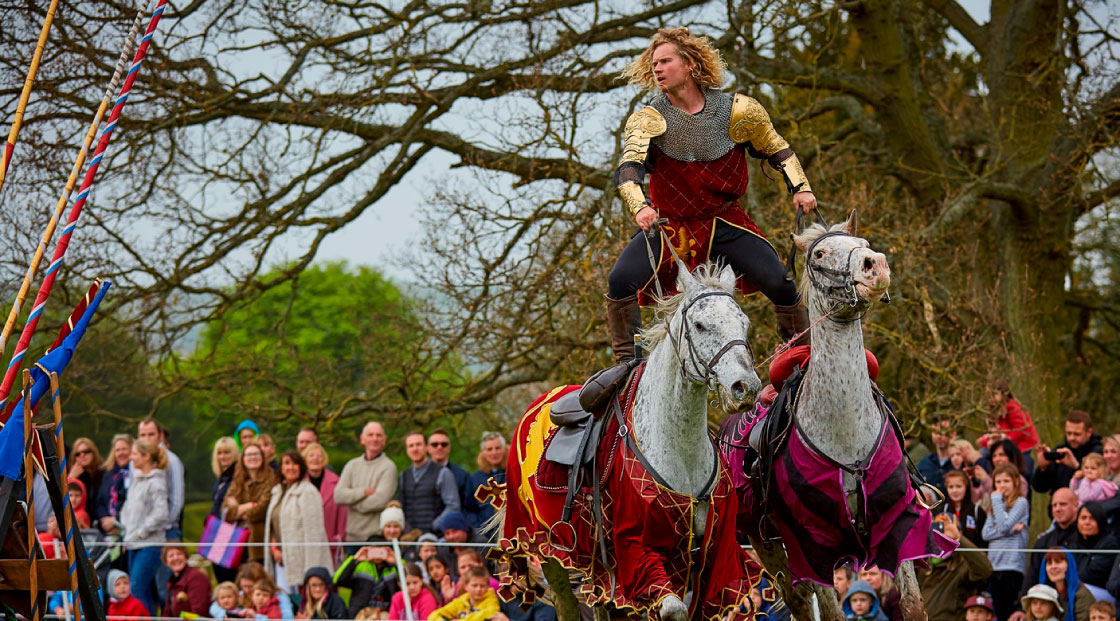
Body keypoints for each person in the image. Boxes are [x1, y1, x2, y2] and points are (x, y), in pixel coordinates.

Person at [599, 26, 815, 375]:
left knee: (779, 282)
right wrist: (640, 206)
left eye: (666, 61)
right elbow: (628, 169)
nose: (657, 68)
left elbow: (777, 148)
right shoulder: (647, 119)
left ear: (689, 64)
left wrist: (801, 187)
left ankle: (801, 358)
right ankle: (629, 366)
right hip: (671, 227)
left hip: (725, 222)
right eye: (654, 63)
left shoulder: (738, 111)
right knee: (620, 280)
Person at [264, 450, 334, 592]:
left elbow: (314, 534)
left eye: (295, 464)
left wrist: (312, 571)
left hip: (301, 561)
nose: (291, 467)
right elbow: (273, 526)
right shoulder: (277, 491)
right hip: (280, 560)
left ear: (301, 467)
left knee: (300, 604)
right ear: (281, 468)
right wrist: (274, 549)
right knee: (284, 602)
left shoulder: (308, 492)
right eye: (287, 463)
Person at [1012, 488, 1081, 621]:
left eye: (1063, 504)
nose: (1057, 509)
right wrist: (1022, 609)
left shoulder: (1084, 537)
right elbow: (1032, 575)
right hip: (1046, 605)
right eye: (1054, 505)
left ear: (1075, 505)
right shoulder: (1043, 541)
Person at [120, 438, 169, 616]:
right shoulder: (137, 481)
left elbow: (161, 514)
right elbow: (127, 508)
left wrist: (141, 532)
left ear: (146, 456)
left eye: (134, 454)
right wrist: (126, 527)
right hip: (133, 543)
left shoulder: (156, 481)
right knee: (143, 592)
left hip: (149, 545)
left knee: (137, 589)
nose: (131, 457)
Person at [917, 514, 993, 621]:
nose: (943, 533)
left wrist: (958, 539)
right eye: (938, 528)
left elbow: (985, 570)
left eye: (950, 528)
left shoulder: (962, 564)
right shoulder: (923, 562)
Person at [335, 422, 398, 547]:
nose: (374, 439)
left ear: (384, 440)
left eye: (378, 435)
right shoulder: (351, 465)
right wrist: (363, 492)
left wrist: (353, 502)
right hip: (352, 538)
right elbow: (338, 496)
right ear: (362, 439)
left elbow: (380, 500)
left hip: (376, 537)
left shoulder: (389, 467)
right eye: (370, 435)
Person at [983, 464, 1030, 621]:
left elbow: (1002, 526)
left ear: (1015, 482)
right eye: (998, 481)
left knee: (1009, 611)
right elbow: (986, 533)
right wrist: (1011, 530)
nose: (1002, 485)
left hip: (1012, 566)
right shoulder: (994, 506)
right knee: (998, 612)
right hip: (994, 565)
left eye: (1006, 481)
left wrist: (996, 499)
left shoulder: (1021, 503)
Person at [224, 441, 278, 563]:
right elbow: (226, 512)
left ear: (262, 458)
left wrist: (238, 509)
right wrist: (249, 505)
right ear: (243, 459)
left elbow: (262, 510)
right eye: (249, 455)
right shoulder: (237, 482)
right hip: (236, 541)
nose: (252, 457)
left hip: (259, 542)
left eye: (256, 454)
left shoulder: (271, 480)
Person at [399, 430, 461, 534]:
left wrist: (434, 525)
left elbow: (453, 506)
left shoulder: (443, 473)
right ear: (407, 450)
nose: (415, 449)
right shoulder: (404, 475)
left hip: (435, 537)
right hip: (409, 537)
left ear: (426, 447)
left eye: (418, 444)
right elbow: (402, 507)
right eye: (411, 446)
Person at [136, 418, 185, 538]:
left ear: (160, 435)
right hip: (139, 533)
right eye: (143, 435)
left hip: (165, 531)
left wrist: (164, 526)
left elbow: (177, 500)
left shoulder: (172, 460)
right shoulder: (135, 461)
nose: (147, 438)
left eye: (151, 434)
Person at [1034, 411, 1104, 495]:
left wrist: (1076, 466)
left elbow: (1099, 484)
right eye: (1069, 433)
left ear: (1088, 432)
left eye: (1077, 434)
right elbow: (1040, 488)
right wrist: (1043, 468)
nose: (1072, 438)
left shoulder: (1099, 452)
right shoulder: (1060, 451)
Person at [302, 442, 347, 565]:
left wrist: (339, 538)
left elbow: (342, 513)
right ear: (305, 460)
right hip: (305, 542)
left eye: (319, 455)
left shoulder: (336, 482)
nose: (315, 458)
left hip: (329, 541)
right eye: (311, 455)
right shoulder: (298, 484)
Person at [334, 539, 400, 617]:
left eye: (380, 551)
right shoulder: (360, 565)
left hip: (386, 613)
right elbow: (338, 580)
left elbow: (408, 582)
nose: (377, 555)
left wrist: (397, 563)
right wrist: (355, 559)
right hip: (361, 613)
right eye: (374, 551)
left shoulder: (394, 567)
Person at [981, 379, 1040, 454]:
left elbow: (1020, 429)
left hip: (1021, 445)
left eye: (994, 394)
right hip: (1005, 445)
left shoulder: (1012, 407)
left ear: (1003, 394)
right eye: (989, 394)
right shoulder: (994, 410)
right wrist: (986, 440)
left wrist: (1003, 440)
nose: (991, 397)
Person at [211, 436, 241, 581]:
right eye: (220, 453)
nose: (223, 456)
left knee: (229, 576)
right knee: (219, 576)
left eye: (227, 452)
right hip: (217, 532)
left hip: (231, 533)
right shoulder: (220, 480)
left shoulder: (237, 477)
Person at [465, 431, 507, 530]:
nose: (494, 453)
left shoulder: (514, 473)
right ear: (483, 453)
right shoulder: (474, 479)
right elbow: (469, 509)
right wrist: (478, 529)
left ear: (504, 450)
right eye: (489, 449)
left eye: (497, 448)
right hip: (484, 533)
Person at [1071, 502, 1118, 588]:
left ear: (1100, 521)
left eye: (1092, 518)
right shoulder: (1073, 543)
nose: (1087, 522)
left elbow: (1090, 576)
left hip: (1101, 591)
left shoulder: (1109, 544)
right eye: (1083, 518)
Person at [427, 565, 499, 621]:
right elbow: (434, 615)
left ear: (487, 586)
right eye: (474, 585)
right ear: (466, 586)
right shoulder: (462, 600)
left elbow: (490, 613)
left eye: (482, 586)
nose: (478, 589)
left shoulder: (492, 600)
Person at [1039, 548, 1093, 621]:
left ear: (1069, 565)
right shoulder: (1042, 594)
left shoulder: (1081, 595)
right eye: (1049, 563)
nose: (1053, 567)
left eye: (1058, 562)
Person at [95, 433, 133, 536]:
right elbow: (100, 500)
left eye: (124, 449)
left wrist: (116, 520)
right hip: (107, 529)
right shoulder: (109, 474)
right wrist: (104, 520)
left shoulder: (134, 473)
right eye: (117, 450)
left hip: (128, 527)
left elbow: (131, 501)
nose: (121, 453)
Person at [938, 470, 987, 547]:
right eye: (951, 487)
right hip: (950, 557)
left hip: (971, 556)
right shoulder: (942, 510)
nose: (955, 490)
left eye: (959, 486)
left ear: (966, 488)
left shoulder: (977, 511)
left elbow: (983, 542)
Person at [163, 544, 213, 617]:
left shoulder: (196, 577)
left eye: (179, 554)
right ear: (166, 562)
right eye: (171, 555)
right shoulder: (172, 581)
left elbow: (198, 613)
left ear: (186, 557)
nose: (176, 558)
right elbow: (167, 613)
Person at [428, 429, 471, 505]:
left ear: (449, 448)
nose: (439, 447)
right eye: (435, 444)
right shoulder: (419, 475)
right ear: (428, 448)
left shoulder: (462, 476)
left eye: (444, 444)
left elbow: (468, 507)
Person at [919, 420, 958, 494]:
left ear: (953, 433)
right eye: (935, 432)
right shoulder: (924, 463)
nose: (939, 436)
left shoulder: (961, 463)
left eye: (943, 431)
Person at [68, 437, 104, 515]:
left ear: (94, 453)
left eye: (86, 451)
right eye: (78, 454)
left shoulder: (104, 472)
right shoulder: (75, 476)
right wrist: (70, 479)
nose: (82, 455)